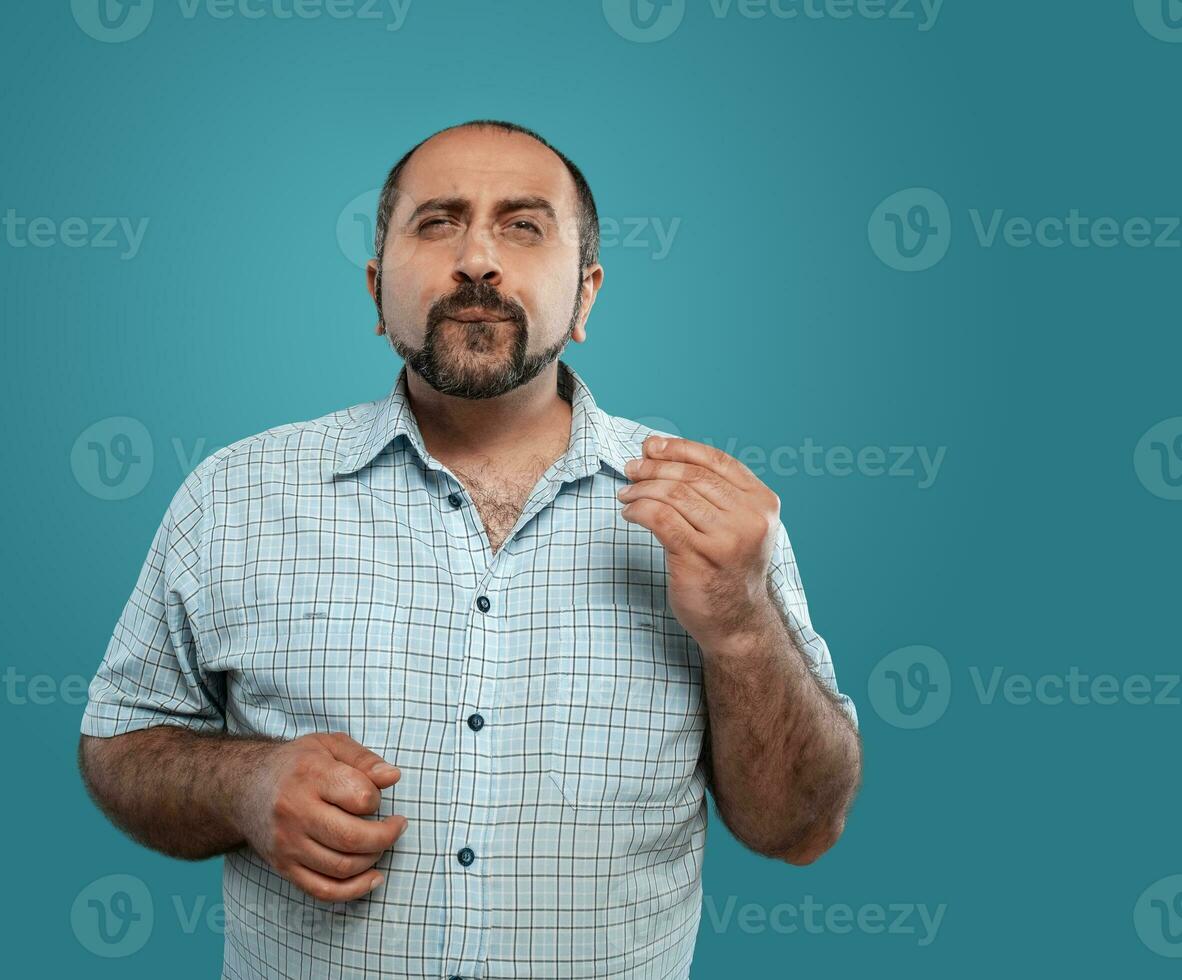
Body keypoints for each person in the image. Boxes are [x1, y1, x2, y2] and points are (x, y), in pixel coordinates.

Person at [77, 119, 862, 978]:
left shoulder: (717, 518)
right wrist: (243, 786)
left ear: (588, 294)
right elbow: (120, 750)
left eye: (524, 225)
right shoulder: (233, 495)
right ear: (377, 291)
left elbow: (802, 830)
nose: (478, 259)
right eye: (437, 222)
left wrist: (743, 628)